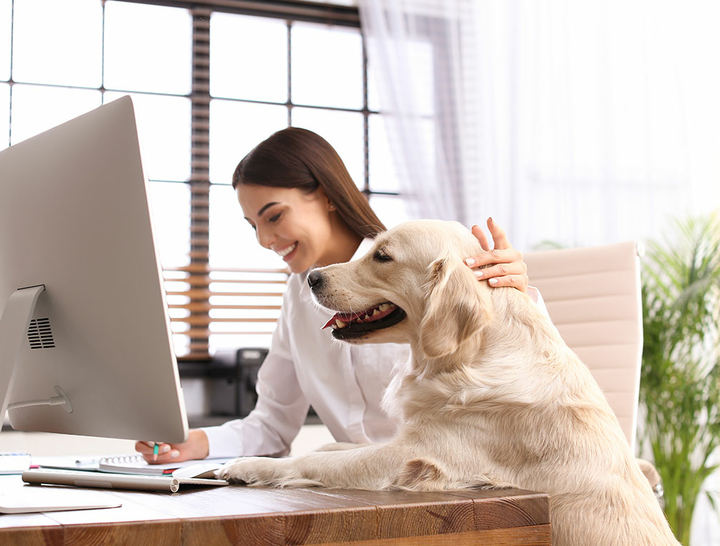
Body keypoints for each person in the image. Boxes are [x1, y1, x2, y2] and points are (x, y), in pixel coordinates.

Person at [136, 127, 543, 463]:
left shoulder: (420, 266)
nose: (264, 240)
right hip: (354, 495)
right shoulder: (299, 298)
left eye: (274, 216)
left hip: (440, 489)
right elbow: (272, 425)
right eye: (252, 225)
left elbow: (520, 383)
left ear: (327, 195)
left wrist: (515, 295)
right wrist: (196, 444)